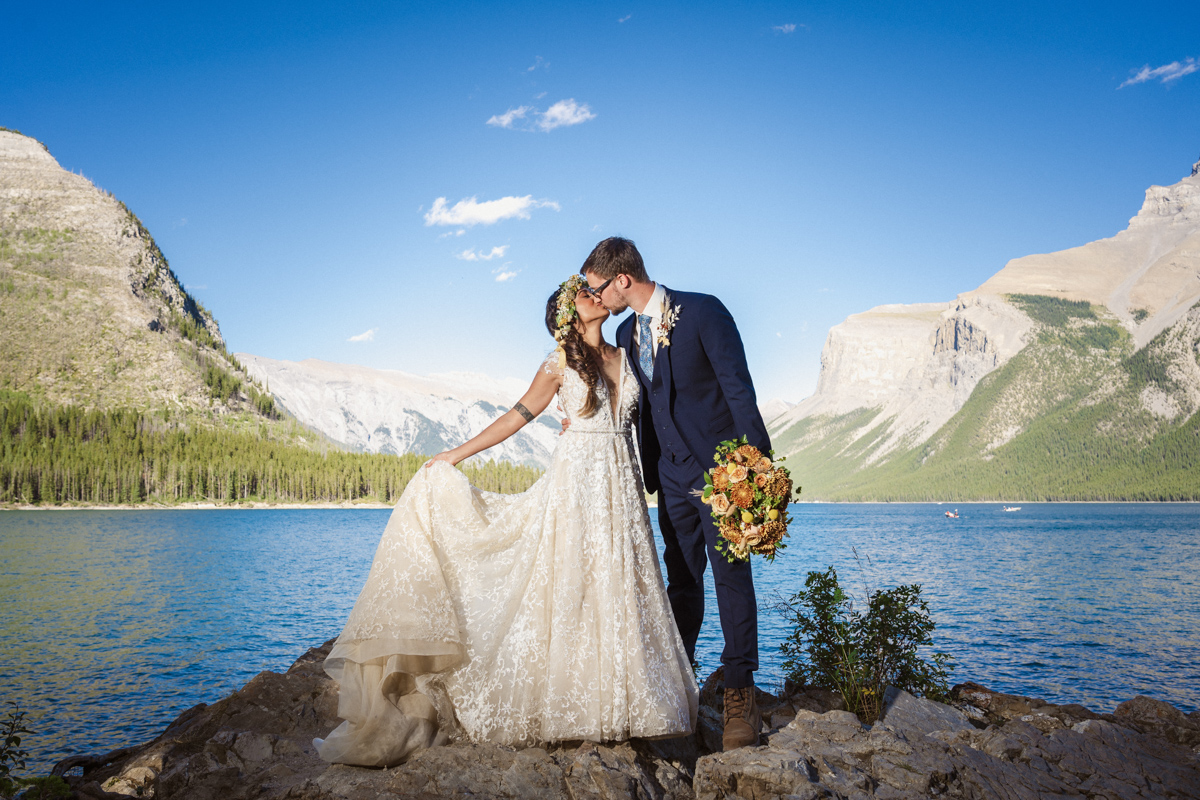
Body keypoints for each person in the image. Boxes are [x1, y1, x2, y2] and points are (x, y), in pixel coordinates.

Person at [314, 275, 698, 767]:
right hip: (576, 484)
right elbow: (518, 415)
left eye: (593, 290)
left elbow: (648, 420)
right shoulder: (558, 363)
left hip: (621, 488)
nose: (594, 295)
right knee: (570, 588)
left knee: (619, 587)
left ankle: (627, 702)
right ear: (567, 315)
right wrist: (455, 454)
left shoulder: (626, 356)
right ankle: (570, 706)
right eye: (582, 294)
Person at [581, 237, 771, 750]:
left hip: (722, 477)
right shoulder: (623, 331)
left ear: (622, 279)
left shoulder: (704, 312)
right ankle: (677, 681)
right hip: (668, 479)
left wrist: (755, 472)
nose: (596, 298)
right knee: (682, 580)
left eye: (598, 287)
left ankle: (739, 694)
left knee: (732, 577)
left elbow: (739, 391)